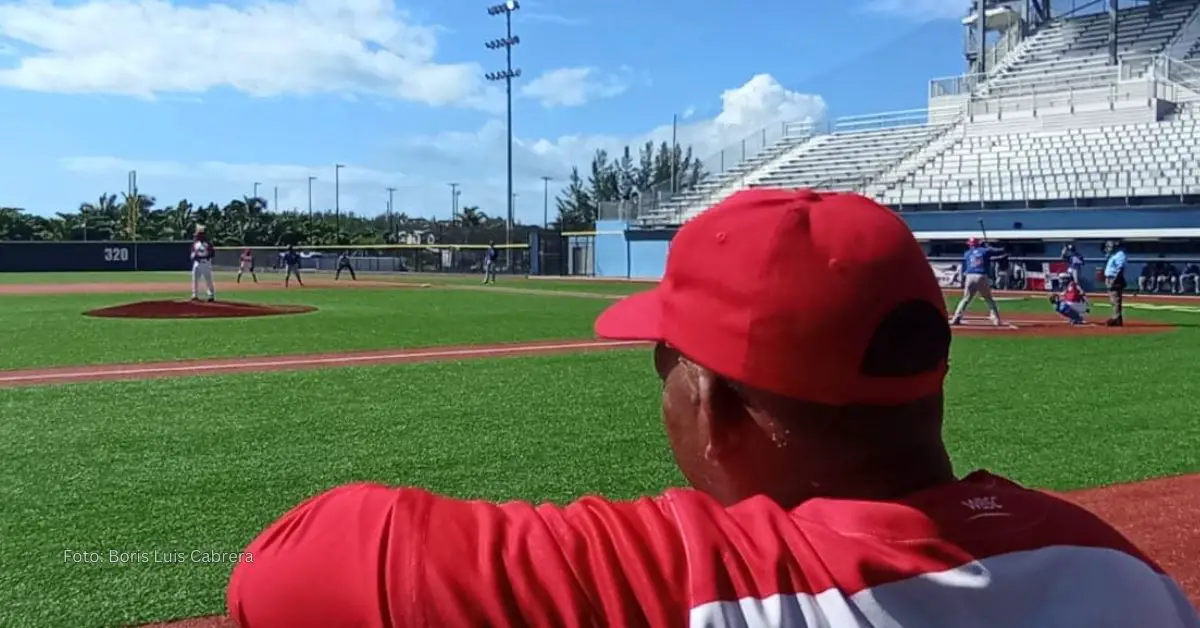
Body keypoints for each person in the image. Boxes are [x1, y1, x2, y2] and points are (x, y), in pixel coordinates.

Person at [225, 189, 1198, 628]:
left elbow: (288, 567)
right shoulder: (1124, 572)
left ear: (716, 405)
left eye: (669, 368)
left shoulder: (710, 584)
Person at [949, 237, 1004, 326]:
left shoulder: (967, 253)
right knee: (989, 299)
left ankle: (956, 318)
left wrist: (988, 248)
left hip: (969, 276)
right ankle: (996, 320)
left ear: (970, 245)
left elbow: (965, 266)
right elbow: (1000, 251)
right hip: (981, 275)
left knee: (965, 299)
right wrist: (990, 247)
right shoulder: (984, 251)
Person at [1104, 240, 1128, 327]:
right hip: (1110, 278)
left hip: (1115, 279)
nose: (1107, 249)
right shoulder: (1113, 255)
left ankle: (1116, 319)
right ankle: (1116, 318)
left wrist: (1114, 281)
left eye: (1109, 246)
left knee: (1116, 300)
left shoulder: (1120, 255)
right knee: (1113, 300)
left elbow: (1120, 269)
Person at [190, 225, 216, 302]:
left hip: (206, 263)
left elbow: (212, 253)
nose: (196, 236)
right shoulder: (195, 244)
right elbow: (192, 254)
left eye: (197, 235)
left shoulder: (208, 244)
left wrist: (204, 256)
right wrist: (194, 256)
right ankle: (195, 295)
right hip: (197, 263)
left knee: (208, 279)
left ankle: (211, 295)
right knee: (195, 278)